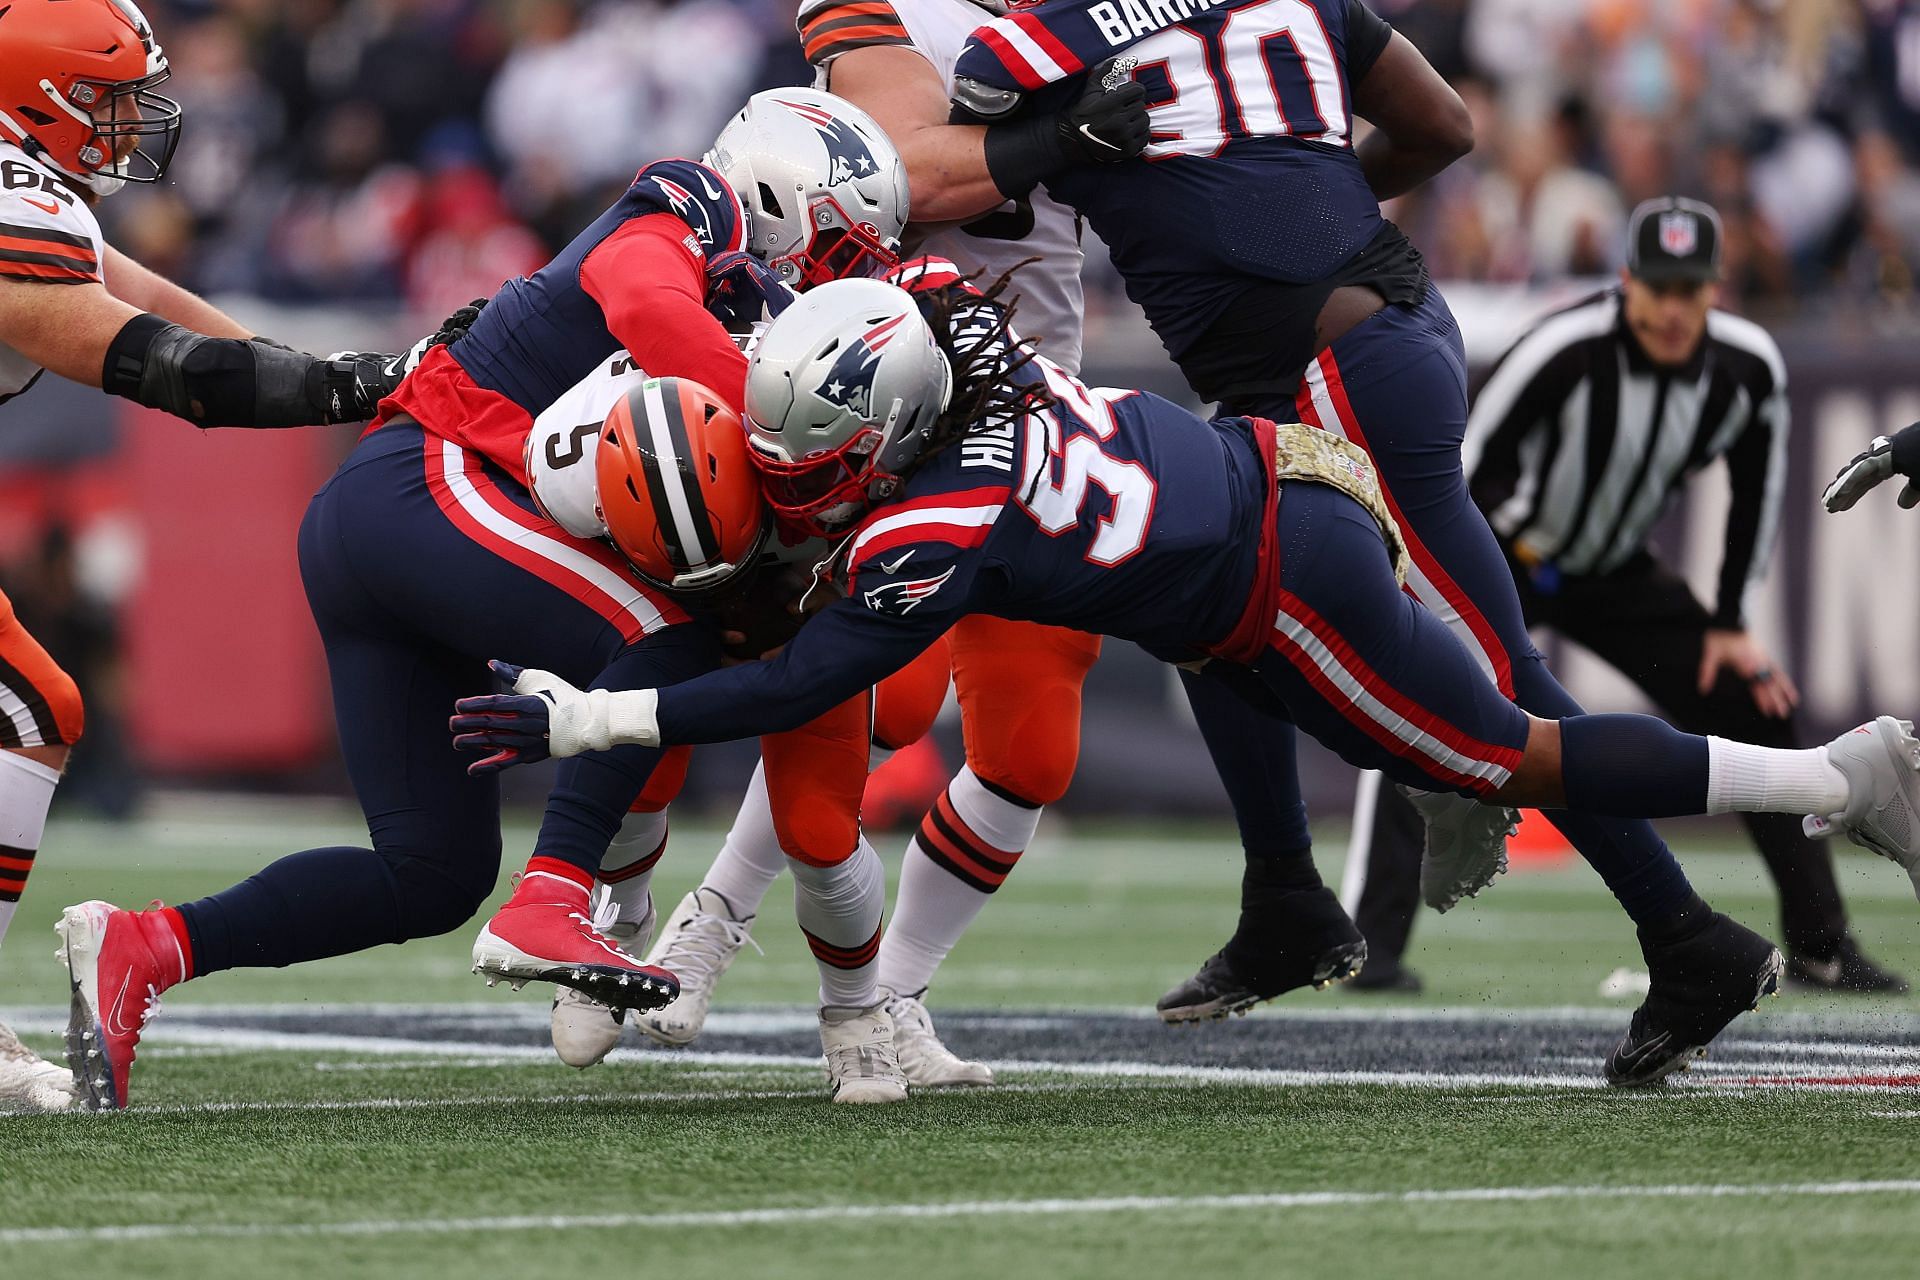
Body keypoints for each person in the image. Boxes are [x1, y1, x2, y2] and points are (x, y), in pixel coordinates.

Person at [452, 276, 1920, 1087]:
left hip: (1285, 575)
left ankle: (1842, 779)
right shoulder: (947, 330)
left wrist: (601, 714)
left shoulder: (936, 523)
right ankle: (1313, 881)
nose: (801, 483)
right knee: (1439, 741)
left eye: (821, 460)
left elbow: (796, 685)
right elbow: (896, 303)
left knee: (1507, 754)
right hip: (1256, 511)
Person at [941, 1, 1790, 1051]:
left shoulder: (1046, 36)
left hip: (1330, 373)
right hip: (1345, 341)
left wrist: (1056, 144)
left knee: (1500, 687)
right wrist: (1309, 200)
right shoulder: (1288, 2)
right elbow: (1443, 126)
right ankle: (1286, 900)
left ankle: (1690, 927)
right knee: (1200, 610)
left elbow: (930, 168)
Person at [53, 89, 910, 1111]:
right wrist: (782, 444)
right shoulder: (684, 206)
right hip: (426, 482)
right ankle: (557, 896)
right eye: (840, 242)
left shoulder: (746, 298)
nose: (836, 271)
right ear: (782, 187)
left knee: (429, 873)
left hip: (399, 531)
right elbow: (648, 309)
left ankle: (145, 945)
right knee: (655, 636)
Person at [618, 0, 1152, 1087]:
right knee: (886, 698)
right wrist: (1066, 129)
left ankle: (897, 994)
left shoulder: (1108, 19)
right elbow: (918, 169)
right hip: (890, 393)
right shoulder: (894, 12)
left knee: (1032, 744)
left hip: (1036, 392)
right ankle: (715, 917)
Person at [0, 0, 406, 1113]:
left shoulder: (32, 190)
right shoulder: (9, 204)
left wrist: (349, 370)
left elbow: (167, 308)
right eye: (115, 98)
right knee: (31, 707)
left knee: (33, 707)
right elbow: (161, 367)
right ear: (49, 96)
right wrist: (348, 385)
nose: (137, 121)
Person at [1343, 198, 1903, 996]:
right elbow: (1462, 469)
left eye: (1691, 289)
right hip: (1511, 554)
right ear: (1627, 281)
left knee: (1754, 701)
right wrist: (1447, 585)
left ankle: (1821, 944)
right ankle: (1374, 943)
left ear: (1716, 289)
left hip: (1612, 569)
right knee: (1423, 700)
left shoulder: (1746, 367)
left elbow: (1756, 488)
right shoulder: (1567, 347)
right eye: (1659, 288)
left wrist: (1730, 625)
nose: (1674, 310)